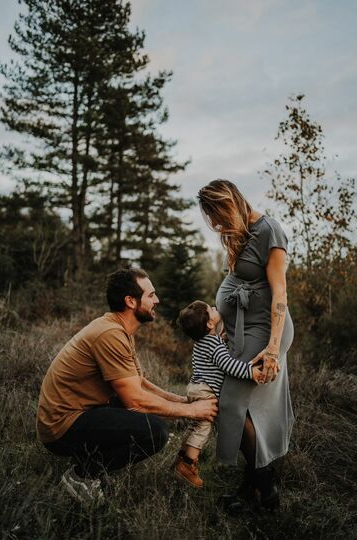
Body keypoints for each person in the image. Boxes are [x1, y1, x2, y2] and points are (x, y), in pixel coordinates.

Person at [36, 268, 218, 507]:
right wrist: (194, 412)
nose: (157, 300)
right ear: (131, 301)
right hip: (61, 427)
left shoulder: (120, 329)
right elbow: (135, 400)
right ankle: (82, 475)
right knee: (154, 433)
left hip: (82, 412)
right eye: (151, 295)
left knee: (142, 414)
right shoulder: (110, 333)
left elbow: (139, 382)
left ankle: (89, 460)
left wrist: (181, 402)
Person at [198, 179, 294, 512]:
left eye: (219, 216)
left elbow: (279, 293)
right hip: (242, 330)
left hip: (268, 330)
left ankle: (266, 491)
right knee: (243, 408)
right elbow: (239, 281)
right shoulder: (237, 232)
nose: (218, 226)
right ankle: (252, 486)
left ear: (230, 203)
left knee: (230, 404)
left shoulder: (270, 231)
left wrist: (271, 348)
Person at [174, 300, 264, 488]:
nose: (215, 309)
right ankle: (188, 466)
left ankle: (182, 457)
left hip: (195, 387)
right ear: (209, 324)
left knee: (195, 425)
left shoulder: (201, 341)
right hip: (206, 392)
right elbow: (229, 366)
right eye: (211, 309)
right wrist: (251, 372)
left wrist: (220, 340)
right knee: (203, 428)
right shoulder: (213, 344)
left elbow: (215, 355)